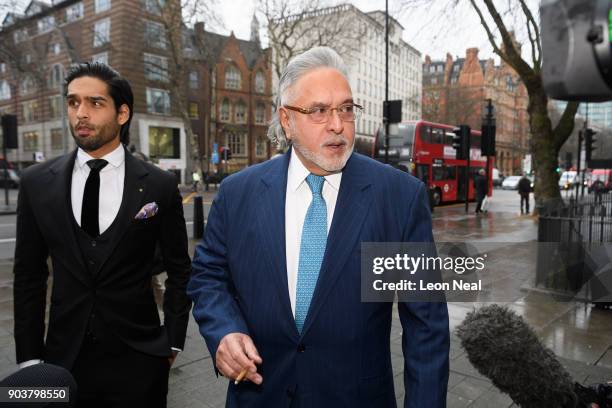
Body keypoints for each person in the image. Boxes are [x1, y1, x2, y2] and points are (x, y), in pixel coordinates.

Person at [188, 47, 449, 407]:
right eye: (318, 111)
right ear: (286, 120)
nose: (338, 124)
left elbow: (427, 328)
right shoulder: (238, 194)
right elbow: (208, 275)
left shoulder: (398, 198)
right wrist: (223, 331)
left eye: (345, 109)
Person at [13, 62, 192, 408]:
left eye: (95, 103)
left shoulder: (158, 184)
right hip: (62, 360)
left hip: (141, 359)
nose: (81, 113)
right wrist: (31, 358)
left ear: (122, 113)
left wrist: (172, 340)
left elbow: (180, 269)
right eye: (73, 102)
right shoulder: (37, 183)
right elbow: (28, 275)